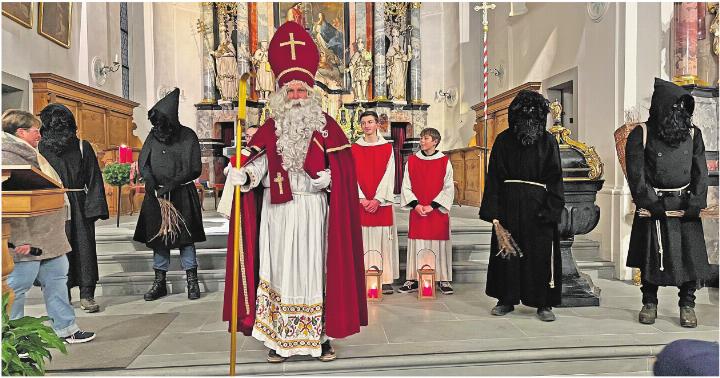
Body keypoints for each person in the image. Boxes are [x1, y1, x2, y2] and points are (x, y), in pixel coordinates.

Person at [220, 20, 367, 363]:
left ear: (311, 94)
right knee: (280, 272)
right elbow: (258, 163)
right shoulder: (271, 128)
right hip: (277, 213)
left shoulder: (327, 127)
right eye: (291, 92)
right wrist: (244, 176)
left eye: (302, 91)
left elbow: (345, 172)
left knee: (316, 271)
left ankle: (321, 337)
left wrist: (330, 179)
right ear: (281, 96)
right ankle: (278, 338)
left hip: (314, 210)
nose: (297, 97)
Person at [626, 78, 713, 328]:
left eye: (683, 108)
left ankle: (687, 304)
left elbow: (700, 172)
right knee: (652, 257)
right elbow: (636, 174)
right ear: (662, 107)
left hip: (684, 205)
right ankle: (649, 302)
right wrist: (651, 203)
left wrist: (696, 202)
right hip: (654, 205)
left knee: (690, 259)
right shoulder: (640, 133)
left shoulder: (693, 134)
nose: (680, 113)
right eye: (674, 108)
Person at [3, 109, 96, 343]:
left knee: (56, 279)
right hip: (25, 235)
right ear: (21, 132)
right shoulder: (7, 157)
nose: (40, 135)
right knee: (17, 286)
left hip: (48, 233)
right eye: (36, 130)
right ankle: (12, 339)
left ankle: (66, 328)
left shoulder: (28, 152)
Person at [479, 90, 564, 322]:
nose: (528, 118)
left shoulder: (548, 141)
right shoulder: (503, 140)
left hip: (539, 208)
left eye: (533, 113)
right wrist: (494, 213)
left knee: (540, 255)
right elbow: (493, 177)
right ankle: (505, 299)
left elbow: (555, 178)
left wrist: (552, 209)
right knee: (507, 254)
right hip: (508, 206)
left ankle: (543, 302)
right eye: (523, 113)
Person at [133, 88, 206, 301]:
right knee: (159, 238)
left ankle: (191, 281)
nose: (158, 127)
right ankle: (159, 283)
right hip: (157, 195)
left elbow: (194, 168)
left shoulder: (188, 136)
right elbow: (143, 163)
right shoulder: (153, 136)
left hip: (181, 193)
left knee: (185, 239)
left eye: (161, 123)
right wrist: (151, 182)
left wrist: (172, 184)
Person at [38, 104, 109, 313]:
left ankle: (87, 294)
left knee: (84, 249)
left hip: (78, 204)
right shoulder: (40, 149)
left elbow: (94, 178)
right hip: (53, 205)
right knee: (58, 252)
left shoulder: (82, 147)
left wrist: (93, 208)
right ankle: (63, 295)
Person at [398, 128, 455, 295]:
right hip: (418, 211)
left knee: (440, 243)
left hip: (436, 211)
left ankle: (443, 279)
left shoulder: (445, 161)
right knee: (417, 243)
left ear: (435, 141)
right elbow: (406, 186)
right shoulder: (412, 161)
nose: (422, 141)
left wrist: (433, 205)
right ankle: (413, 278)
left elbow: (448, 187)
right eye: (421, 138)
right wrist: (416, 205)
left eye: (426, 138)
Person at [351, 110, 399, 295]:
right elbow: (351, 174)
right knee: (362, 240)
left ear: (377, 124)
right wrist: (361, 198)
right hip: (361, 201)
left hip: (381, 202)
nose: (367, 126)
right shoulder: (354, 148)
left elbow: (390, 174)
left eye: (370, 122)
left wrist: (378, 199)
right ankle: (362, 277)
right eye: (363, 123)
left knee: (382, 241)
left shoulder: (387, 147)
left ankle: (385, 278)